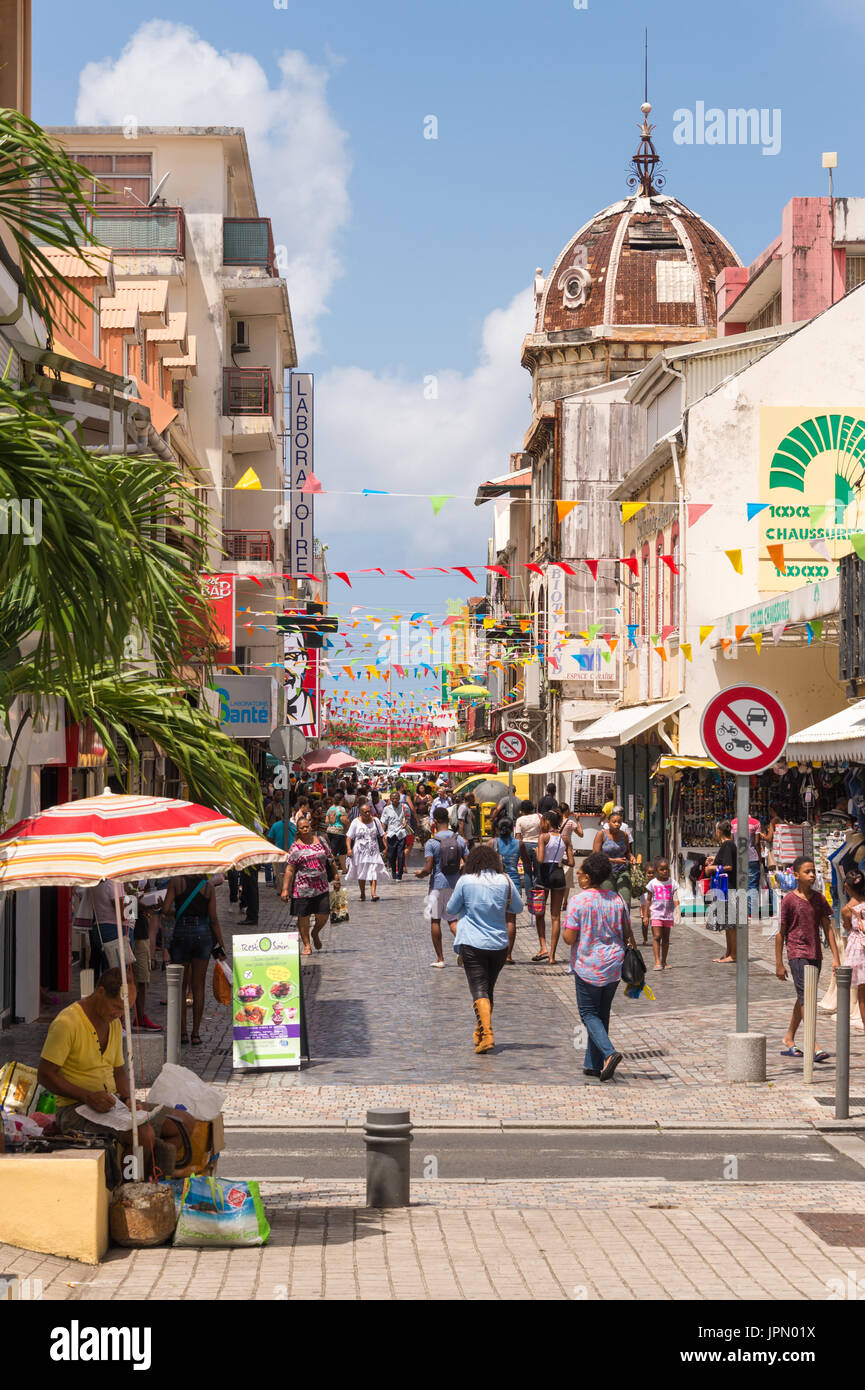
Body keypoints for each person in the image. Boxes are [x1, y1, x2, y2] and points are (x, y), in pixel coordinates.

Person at [38, 968, 195, 1174]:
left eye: (125, 1009)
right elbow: (45, 1075)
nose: (119, 1014)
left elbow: (118, 1070)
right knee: (144, 1135)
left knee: (183, 1121)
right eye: (116, 1007)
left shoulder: (113, 1023)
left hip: (112, 1105)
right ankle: (128, 1185)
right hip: (74, 1110)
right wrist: (87, 1096)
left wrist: (128, 1097)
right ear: (100, 992)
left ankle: (152, 1171)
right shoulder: (67, 1023)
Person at [563, 851, 633, 1081]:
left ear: (588, 877)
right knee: (602, 1013)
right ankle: (593, 1064)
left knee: (588, 1014)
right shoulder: (618, 900)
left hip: (588, 964)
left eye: (580, 872)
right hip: (614, 964)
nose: (578, 875)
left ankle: (609, 1053)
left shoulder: (578, 901)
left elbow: (569, 938)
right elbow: (627, 932)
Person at [445, 843, 517, 1052]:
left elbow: (451, 908)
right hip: (499, 944)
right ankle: (480, 1031)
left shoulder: (466, 881)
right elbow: (518, 907)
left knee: (478, 988)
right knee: (488, 988)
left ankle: (487, 1035)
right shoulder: (505, 880)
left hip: (472, 942)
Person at [776, 856, 839, 1060]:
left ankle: (789, 1038)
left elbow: (828, 928)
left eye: (814, 871)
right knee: (806, 997)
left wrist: (836, 958)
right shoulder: (789, 900)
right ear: (796, 875)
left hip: (815, 953)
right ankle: (813, 1045)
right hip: (796, 953)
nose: (812, 875)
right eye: (807, 872)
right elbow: (781, 933)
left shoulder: (819, 899)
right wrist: (779, 963)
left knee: (804, 996)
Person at [161, 874, 226, 1045]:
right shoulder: (208, 887)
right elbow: (213, 918)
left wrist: (176, 911)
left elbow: (165, 909)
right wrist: (221, 943)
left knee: (181, 986)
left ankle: (182, 1032)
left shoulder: (176, 882)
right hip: (202, 934)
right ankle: (195, 1033)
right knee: (198, 986)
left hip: (181, 933)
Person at [281, 810, 340, 954]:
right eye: (302, 828)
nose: (305, 829)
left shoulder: (321, 840)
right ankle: (307, 945)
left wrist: (336, 877)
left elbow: (331, 859)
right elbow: (290, 869)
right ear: (298, 830)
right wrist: (285, 889)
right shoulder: (295, 848)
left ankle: (315, 932)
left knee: (324, 915)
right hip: (302, 889)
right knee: (304, 917)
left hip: (321, 886)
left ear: (310, 826)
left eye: (307, 826)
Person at [416, 805, 467, 967]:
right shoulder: (459, 839)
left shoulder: (432, 843)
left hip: (437, 886)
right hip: (455, 885)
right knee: (452, 920)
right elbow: (469, 861)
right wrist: (460, 872)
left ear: (435, 822)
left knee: (435, 920)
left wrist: (420, 874)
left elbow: (428, 868)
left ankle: (440, 959)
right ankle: (465, 948)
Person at [534, 810, 574, 964]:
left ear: (547, 822)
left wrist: (537, 851)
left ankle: (543, 946)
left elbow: (540, 859)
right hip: (558, 874)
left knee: (539, 912)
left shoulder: (543, 837)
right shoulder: (565, 839)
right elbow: (571, 863)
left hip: (544, 875)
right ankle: (552, 956)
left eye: (542, 821)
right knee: (556, 916)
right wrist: (561, 861)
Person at [705, 820, 737, 964]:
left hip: (728, 888)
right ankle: (729, 952)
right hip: (726, 889)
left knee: (731, 924)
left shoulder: (727, 845)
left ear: (719, 831)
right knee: (727, 924)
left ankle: (733, 954)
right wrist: (715, 860)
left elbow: (729, 866)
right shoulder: (727, 845)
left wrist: (712, 868)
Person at [346, 800, 388, 902]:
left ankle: (373, 894)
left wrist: (386, 848)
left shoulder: (376, 821)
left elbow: (382, 834)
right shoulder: (355, 822)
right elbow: (349, 837)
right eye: (365, 812)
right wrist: (349, 849)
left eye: (369, 811)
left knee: (373, 871)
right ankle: (362, 893)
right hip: (359, 853)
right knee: (361, 873)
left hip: (373, 851)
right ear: (360, 812)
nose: (368, 813)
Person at [592, 807, 635, 907]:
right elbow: (596, 856)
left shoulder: (624, 835)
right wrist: (614, 860)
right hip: (606, 873)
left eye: (619, 822)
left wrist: (632, 857)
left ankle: (624, 917)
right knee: (608, 902)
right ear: (608, 822)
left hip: (622, 872)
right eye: (614, 822)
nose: (617, 824)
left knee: (625, 901)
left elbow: (627, 852)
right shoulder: (601, 834)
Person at [494, 816, 522, 963]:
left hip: (497, 884)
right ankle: (508, 955)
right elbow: (527, 863)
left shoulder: (493, 843)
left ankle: (496, 952)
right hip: (514, 884)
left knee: (496, 919)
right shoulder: (519, 843)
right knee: (511, 920)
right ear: (512, 829)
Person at [643, 857, 678, 970]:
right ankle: (657, 961)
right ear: (657, 870)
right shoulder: (652, 883)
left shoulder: (672, 883)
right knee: (657, 936)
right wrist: (645, 915)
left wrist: (678, 909)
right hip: (656, 914)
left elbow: (675, 897)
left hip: (668, 915)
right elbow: (648, 900)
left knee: (666, 939)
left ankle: (664, 961)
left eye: (666, 869)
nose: (665, 871)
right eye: (662, 869)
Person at [841, 868, 865, 1033]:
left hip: (858, 949)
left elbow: (847, 927)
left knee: (862, 991)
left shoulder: (847, 909)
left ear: (847, 887)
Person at [515, 799, 542, 906]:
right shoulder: (539, 816)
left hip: (525, 846)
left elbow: (518, 837)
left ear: (522, 809)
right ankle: (537, 895)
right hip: (538, 845)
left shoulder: (520, 820)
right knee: (537, 871)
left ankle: (528, 897)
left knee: (527, 872)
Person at [381, 789, 410, 882]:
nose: (395, 800)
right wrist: (382, 833)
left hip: (401, 834)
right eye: (393, 798)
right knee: (391, 855)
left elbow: (407, 817)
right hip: (391, 834)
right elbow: (384, 822)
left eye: (396, 798)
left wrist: (406, 822)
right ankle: (393, 870)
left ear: (399, 798)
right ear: (390, 799)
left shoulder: (404, 807)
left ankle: (399, 874)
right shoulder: (386, 809)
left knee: (401, 854)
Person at [325, 793, 350, 874]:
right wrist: (349, 825)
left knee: (342, 851)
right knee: (333, 853)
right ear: (341, 800)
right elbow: (343, 819)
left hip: (330, 831)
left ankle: (344, 869)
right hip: (339, 832)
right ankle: (331, 870)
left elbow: (327, 821)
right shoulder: (341, 809)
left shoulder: (330, 809)